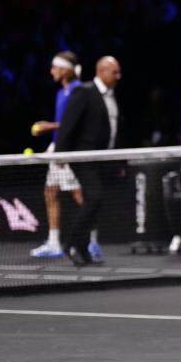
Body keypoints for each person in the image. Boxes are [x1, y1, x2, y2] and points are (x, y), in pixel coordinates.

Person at [55, 56, 123, 267]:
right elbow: (68, 123)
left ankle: (83, 249)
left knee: (95, 201)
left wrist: (118, 160)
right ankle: (72, 244)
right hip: (83, 157)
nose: (119, 76)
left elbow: (112, 131)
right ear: (102, 71)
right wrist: (60, 153)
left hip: (103, 158)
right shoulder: (84, 91)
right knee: (94, 198)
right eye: (115, 72)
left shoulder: (111, 96)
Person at [28, 51, 92, 259]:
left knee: (80, 196)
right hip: (58, 147)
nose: (52, 71)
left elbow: (76, 124)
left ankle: (90, 241)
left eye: (55, 67)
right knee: (51, 192)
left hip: (69, 150)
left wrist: (49, 127)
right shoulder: (61, 93)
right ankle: (54, 242)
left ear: (65, 70)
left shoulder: (78, 91)